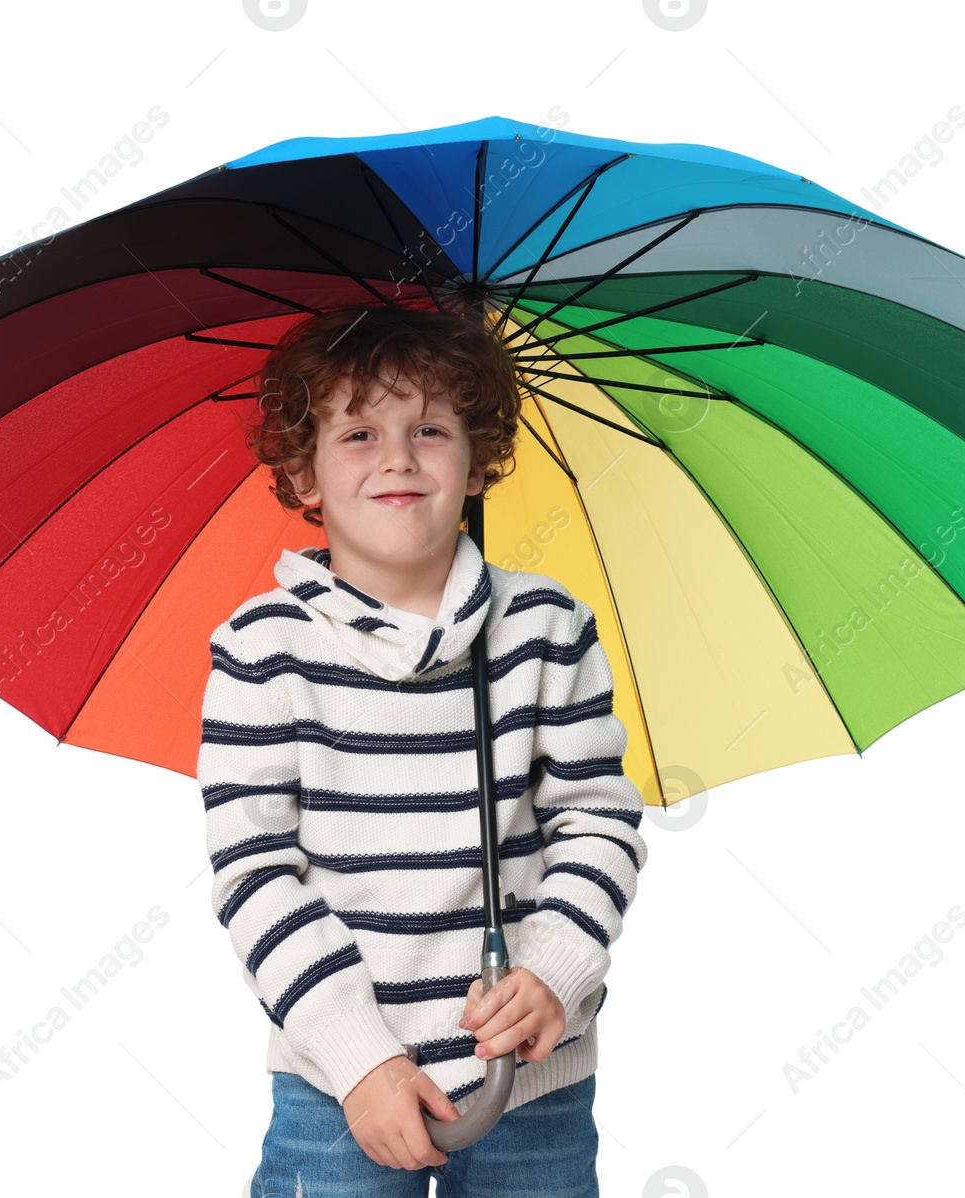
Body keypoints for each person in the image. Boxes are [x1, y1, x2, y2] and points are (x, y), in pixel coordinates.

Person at [198, 303, 648, 1196]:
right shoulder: (262, 650)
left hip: (531, 1085)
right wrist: (359, 1060)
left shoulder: (545, 629)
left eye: (431, 429)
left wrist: (555, 969)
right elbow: (253, 875)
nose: (398, 457)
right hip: (339, 1090)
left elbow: (598, 821)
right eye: (359, 432)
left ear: (480, 462)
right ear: (304, 473)